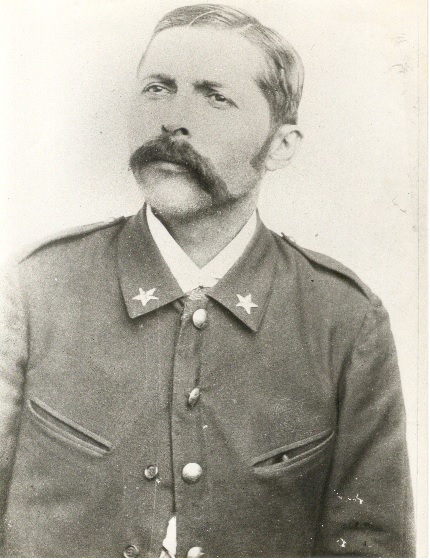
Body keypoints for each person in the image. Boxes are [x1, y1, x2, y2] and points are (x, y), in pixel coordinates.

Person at [0, 4, 414, 558]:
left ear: (281, 146)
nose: (173, 119)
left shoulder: (344, 320)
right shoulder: (37, 287)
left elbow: (371, 544)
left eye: (215, 96)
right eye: (157, 88)